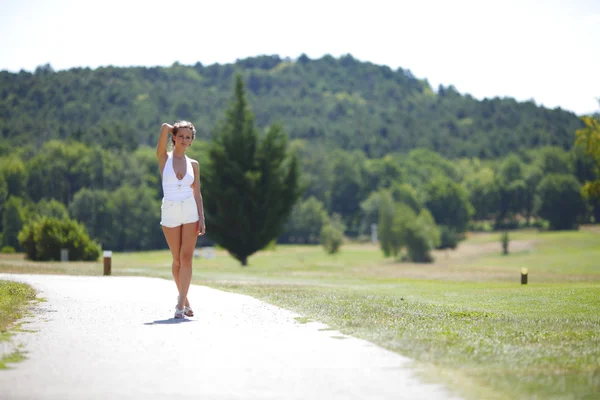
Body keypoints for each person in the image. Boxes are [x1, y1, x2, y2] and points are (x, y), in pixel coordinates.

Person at [156, 121, 206, 318]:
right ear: (174, 137)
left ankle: (179, 304)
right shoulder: (164, 158)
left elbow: (197, 193)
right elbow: (163, 128)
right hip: (170, 211)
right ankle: (185, 300)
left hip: (189, 211)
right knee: (176, 260)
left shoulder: (194, 165)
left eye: (188, 137)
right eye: (181, 136)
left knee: (186, 258)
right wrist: (171, 129)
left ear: (192, 141)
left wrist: (201, 217)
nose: (185, 140)